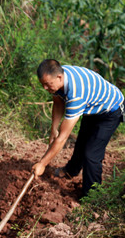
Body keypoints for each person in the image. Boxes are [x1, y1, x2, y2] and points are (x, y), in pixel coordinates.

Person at [33, 59, 124, 197]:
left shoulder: (76, 94)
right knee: (82, 141)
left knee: (91, 154)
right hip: (92, 105)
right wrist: (54, 128)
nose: (45, 88)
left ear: (59, 77)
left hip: (110, 111)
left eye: (47, 84)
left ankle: (92, 197)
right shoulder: (57, 76)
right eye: (43, 84)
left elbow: (63, 138)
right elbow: (58, 101)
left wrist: (42, 164)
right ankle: (71, 170)